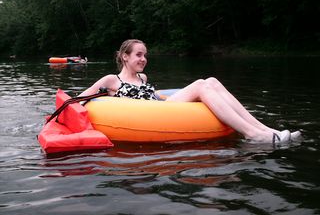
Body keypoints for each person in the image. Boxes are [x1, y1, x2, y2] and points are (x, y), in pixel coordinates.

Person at [79, 39, 301, 144]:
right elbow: (81, 99)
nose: (143, 59)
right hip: (150, 116)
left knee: (211, 80)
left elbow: (155, 97)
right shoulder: (112, 80)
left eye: (145, 55)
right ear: (125, 57)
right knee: (201, 84)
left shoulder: (143, 78)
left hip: (160, 109)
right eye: (138, 55)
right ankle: (252, 134)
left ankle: (266, 130)